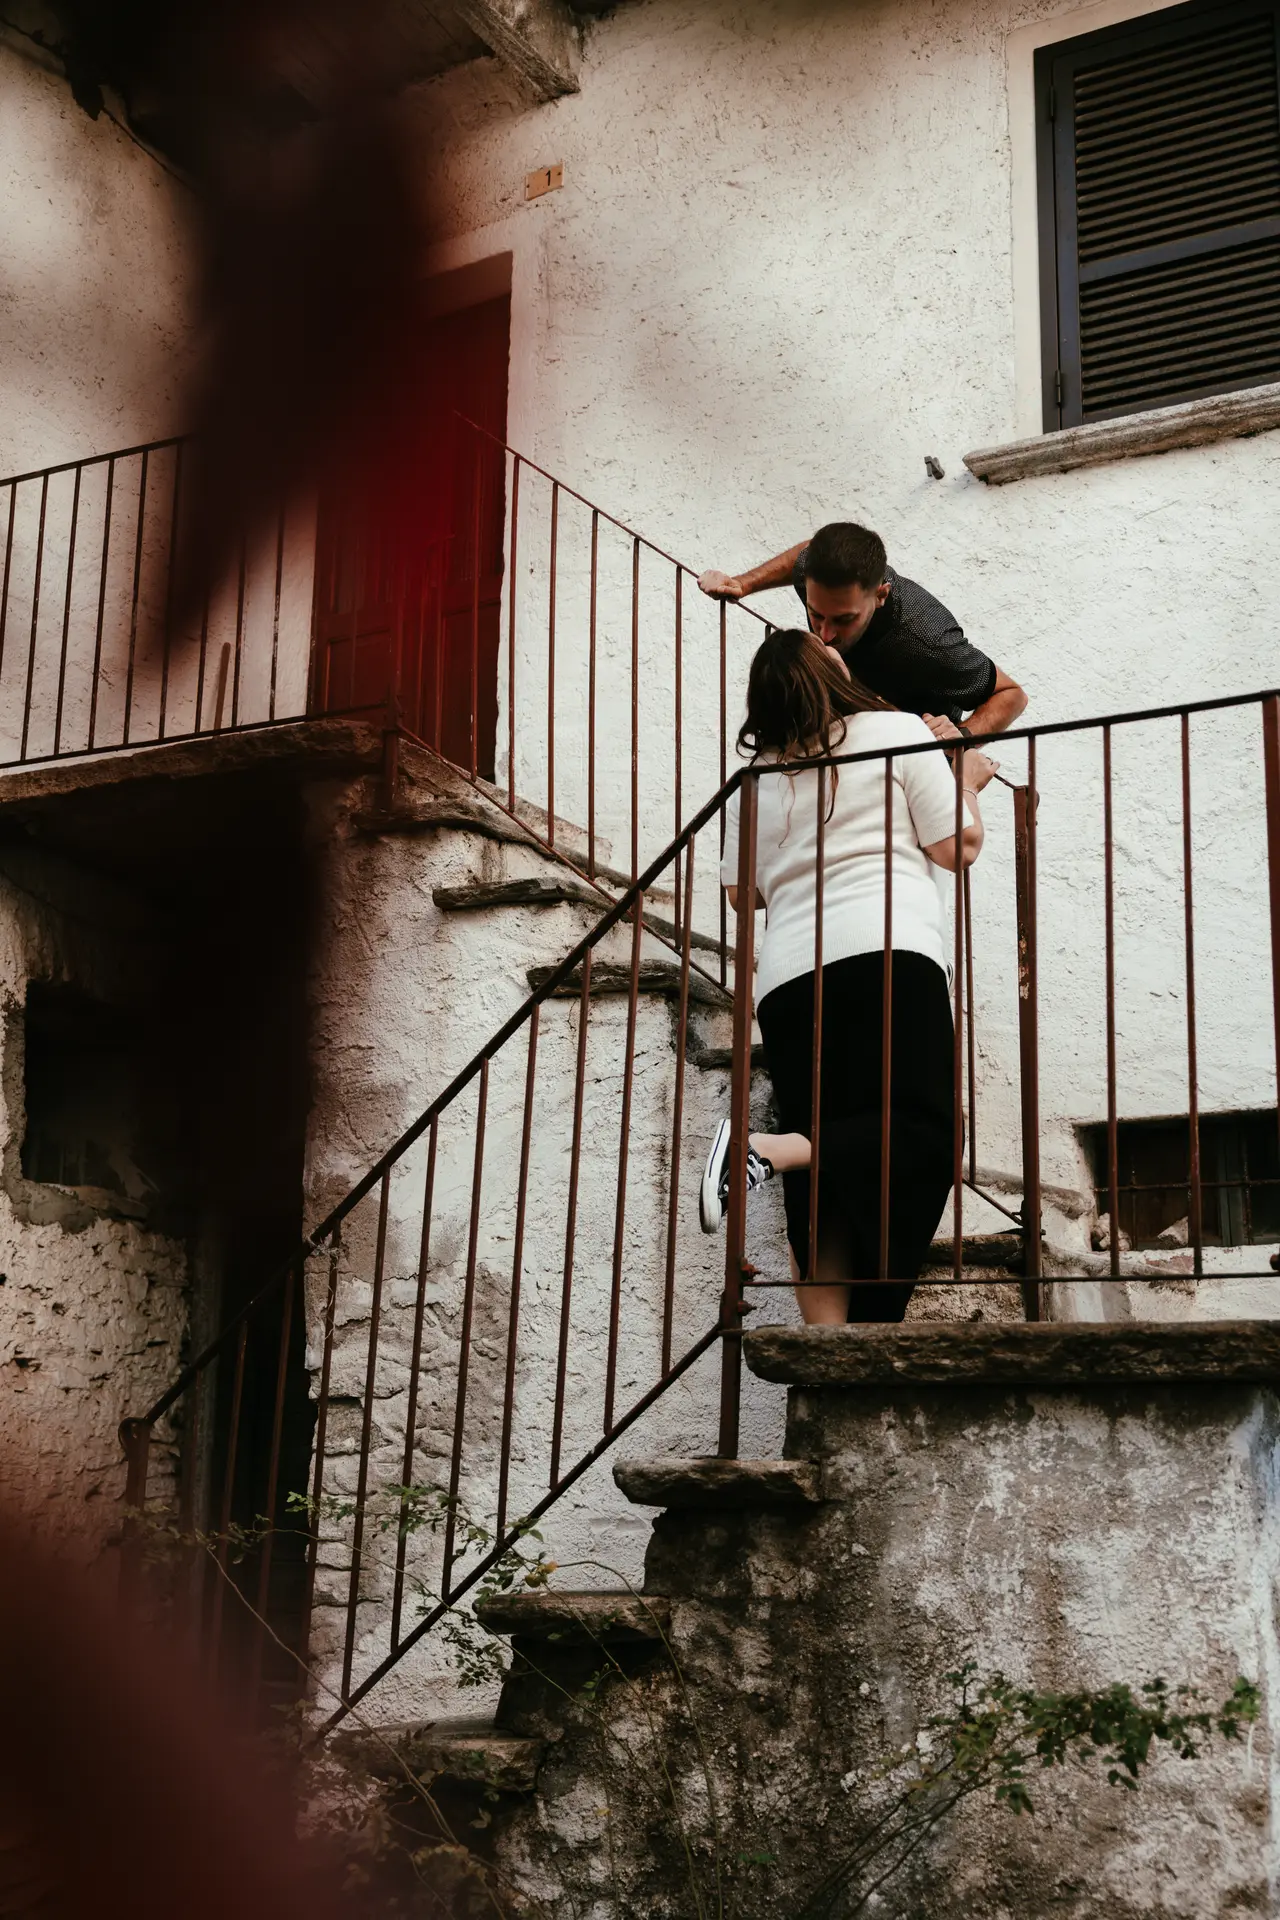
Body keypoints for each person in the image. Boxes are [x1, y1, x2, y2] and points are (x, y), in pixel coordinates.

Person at [699, 628, 992, 1325]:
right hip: (889, 957)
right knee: (923, 1133)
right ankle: (765, 1148)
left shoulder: (758, 777)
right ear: (832, 674)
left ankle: (826, 1349)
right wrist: (968, 782)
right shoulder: (893, 731)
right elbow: (958, 846)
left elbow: (745, 897)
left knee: (825, 1169)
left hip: (790, 980)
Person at [698, 522, 1025, 745]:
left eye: (843, 619)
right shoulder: (816, 576)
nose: (824, 635)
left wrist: (963, 737)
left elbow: (1012, 695)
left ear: (880, 595)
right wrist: (744, 584)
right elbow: (808, 552)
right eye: (815, 614)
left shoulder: (926, 637)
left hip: (909, 754)